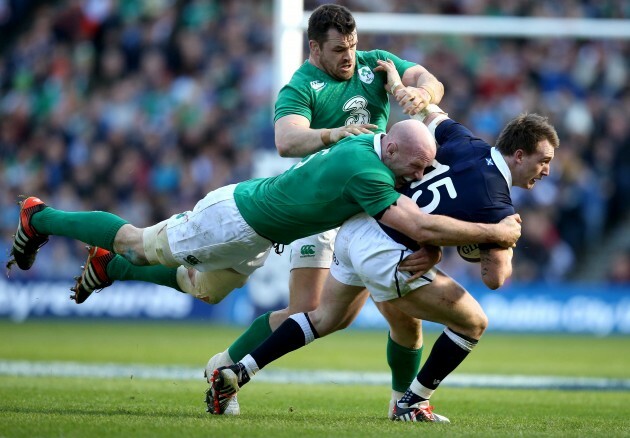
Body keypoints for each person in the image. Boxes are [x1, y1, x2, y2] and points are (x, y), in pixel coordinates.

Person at [206, 105, 559, 422]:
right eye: (543, 161)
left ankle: (238, 372)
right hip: (388, 251)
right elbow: (495, 277)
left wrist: (402, 86)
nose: (545, 171)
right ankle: (413, 403)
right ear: (518, 155)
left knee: (325, 318)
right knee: (473, 323)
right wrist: (502, 238)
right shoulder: (498, 204)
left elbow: (431, 113)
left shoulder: (466, 141)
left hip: (360, 224)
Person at [7, 118, 521, 327]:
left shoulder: (370, 150)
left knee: (203, 289)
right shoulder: (369, 174)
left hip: (260, 230)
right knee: (136, 240)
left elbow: (417, 224)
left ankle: (112, 268)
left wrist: (430, 248)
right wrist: (497, 233)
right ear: (392, 149)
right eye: (416, 164)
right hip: (234, 220)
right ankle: (39, 215)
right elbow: (422, 224)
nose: (421, 173)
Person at [206, 3, 445, 417]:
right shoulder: (302, 85)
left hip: (372, 205)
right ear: (315, 48)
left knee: (403, 312)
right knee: (308, 312)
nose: (349, 56)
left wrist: (420, 93)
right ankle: (225, 367)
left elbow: (429, 80)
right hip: (322, 208)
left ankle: (405, 403)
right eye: (339, 49)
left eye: (353, 45)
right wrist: (334, 133)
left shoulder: (376, 66)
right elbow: (287, 141)